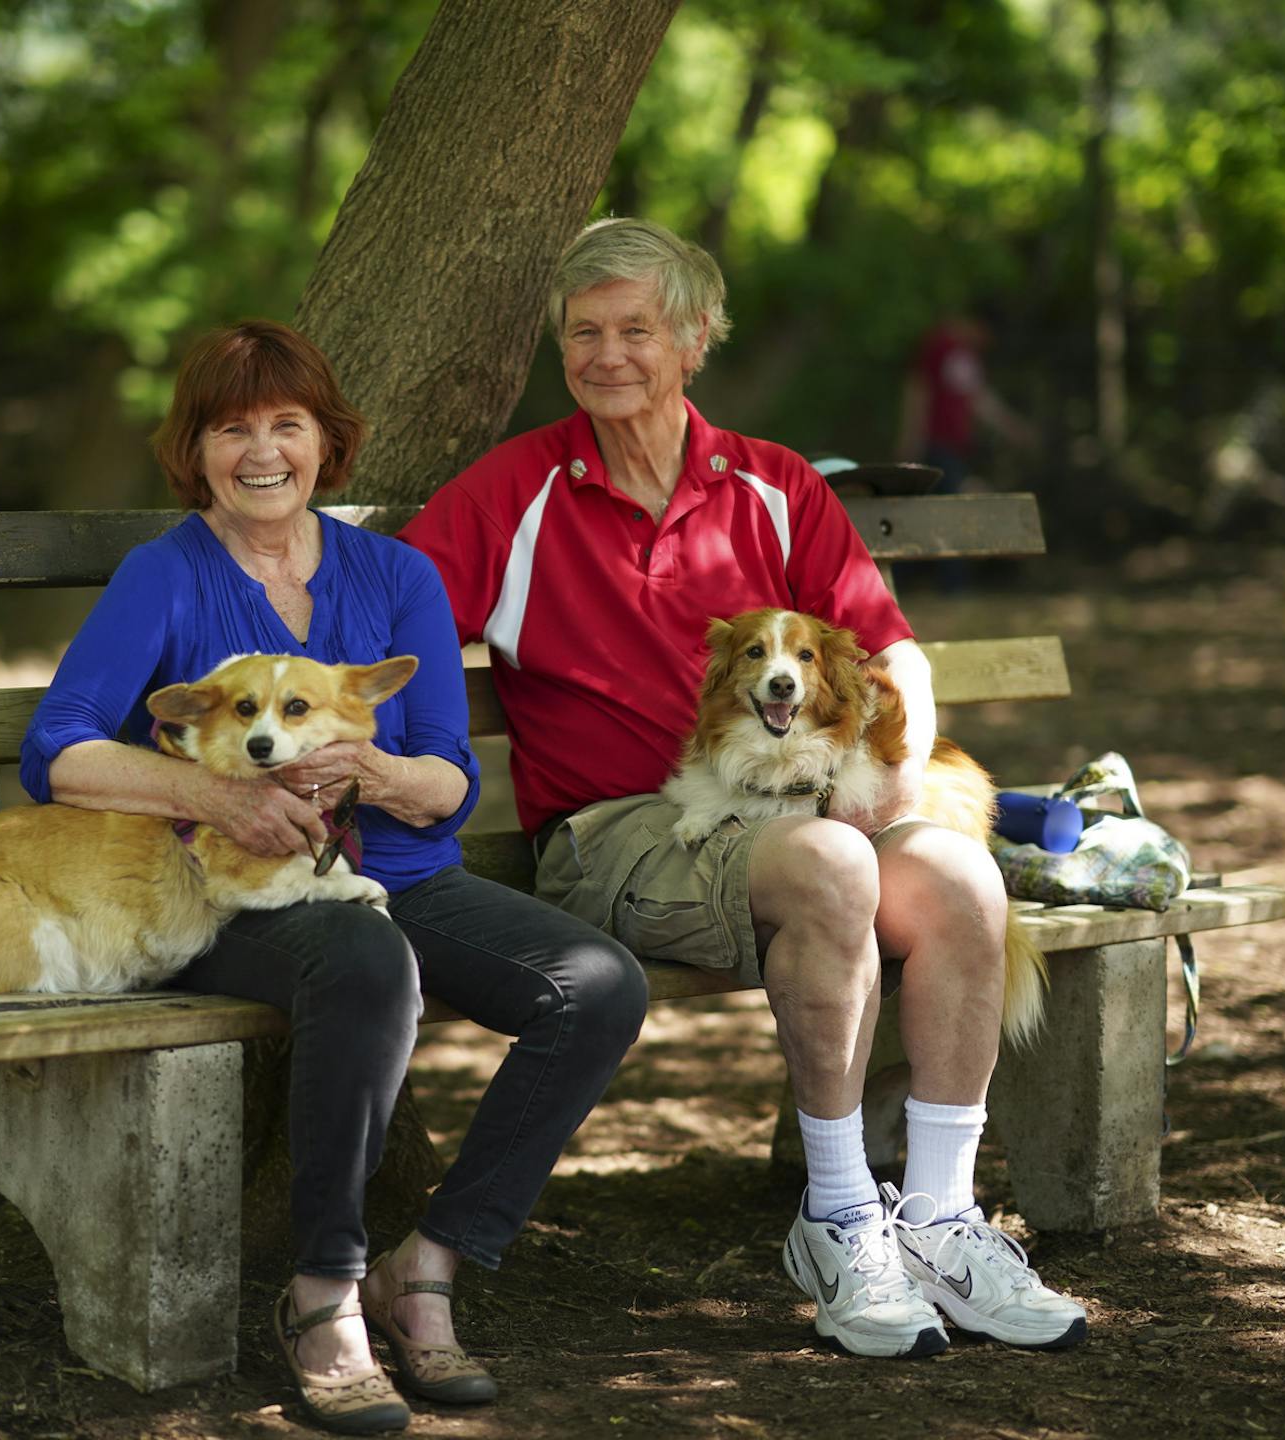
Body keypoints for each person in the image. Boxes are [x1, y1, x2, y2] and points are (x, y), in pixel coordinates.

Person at [401, 219, 1087, 1359]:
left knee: (962, 876)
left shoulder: (772, 486)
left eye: (637, 329)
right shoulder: (516, 494)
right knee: (832, 868)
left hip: (804, 816)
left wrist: (899, 772)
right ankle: (836, 1217)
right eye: (583, 333)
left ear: (696, 338)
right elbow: (394, 625)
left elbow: (890, 650)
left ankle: (942, 1222)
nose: (607, 354)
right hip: (622, 833)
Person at [20, 320, 648, 1432]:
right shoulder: (164, 576)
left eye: (286, 425)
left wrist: (380, 772)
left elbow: (452, 780)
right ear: (196, 450)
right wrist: (221, 797)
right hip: (225, 891)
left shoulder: (396, 575)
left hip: (399, 871)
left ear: (326, 442)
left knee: (596, 982)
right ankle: (323, 1293)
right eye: (231, 430)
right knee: (365, 960)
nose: (261, 453)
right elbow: (57, 748)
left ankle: (433, 1264)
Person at [896, 310, 1037, 590]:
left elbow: (978, 399)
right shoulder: (940, 346)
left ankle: (923, 582)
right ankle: (952, 585)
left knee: (932, 513)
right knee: (948, 514)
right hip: (936, 447)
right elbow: (918, 392)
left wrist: (1013, 428)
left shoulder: (964, 355)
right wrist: (910, 440)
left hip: (954, 449)